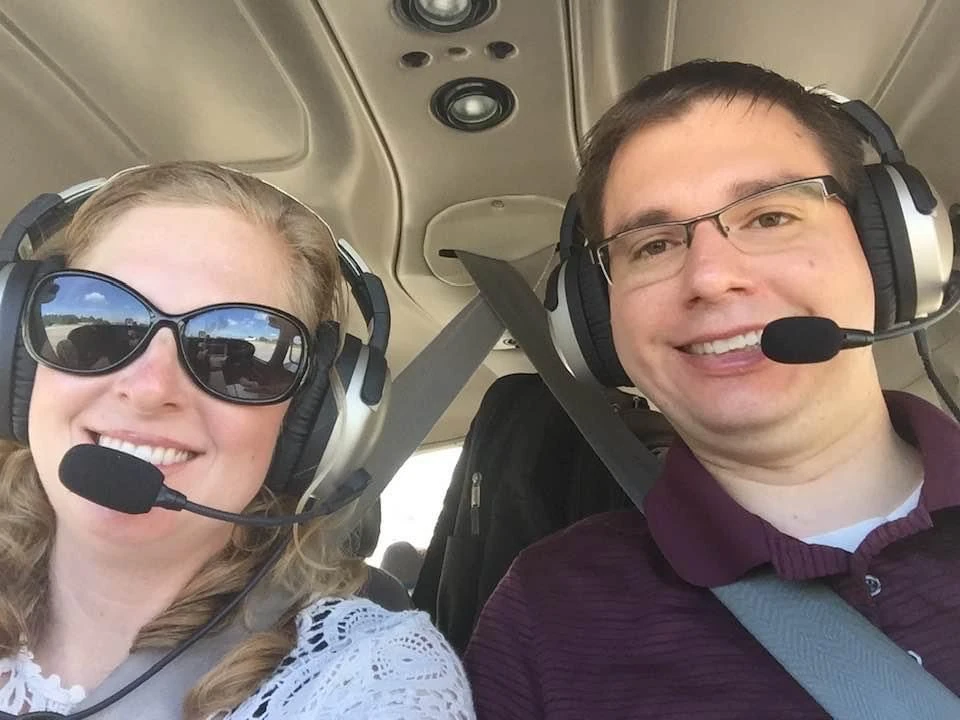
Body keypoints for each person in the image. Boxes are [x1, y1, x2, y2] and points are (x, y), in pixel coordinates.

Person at [464, 60, 960, 718]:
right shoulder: (545, 611)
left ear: (888, 249)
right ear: (595, 323)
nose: (711, 276)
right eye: (653, 245)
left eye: (770, 217)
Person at [0, 162, 474, 719]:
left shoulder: (368, 676)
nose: (150, 389)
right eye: (99, 322)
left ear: (311, 422)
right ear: (17, 356)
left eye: (236, 352)